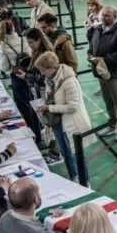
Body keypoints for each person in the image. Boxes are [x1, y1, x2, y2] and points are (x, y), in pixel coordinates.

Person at [34, 52, 94, 182]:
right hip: (58, 124)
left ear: (51, 68)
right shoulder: (50, 80)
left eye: (43, 70)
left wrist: (49, 108)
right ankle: (74, 177)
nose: (41, 73)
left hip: (71, 123)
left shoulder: (70, 81)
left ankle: (85, 182)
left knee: (77, 155)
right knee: (66, 154)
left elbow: (73, 106)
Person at [89, 5, 117, 142]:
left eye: (107, 15)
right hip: (102, 73)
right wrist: (90, 54)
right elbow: (92, 45)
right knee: (108, 102)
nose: (104, 17)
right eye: (103, 15)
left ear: (115, 17)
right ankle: (113, 126)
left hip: (116, 74)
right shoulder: (99, 29)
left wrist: (103, 60)